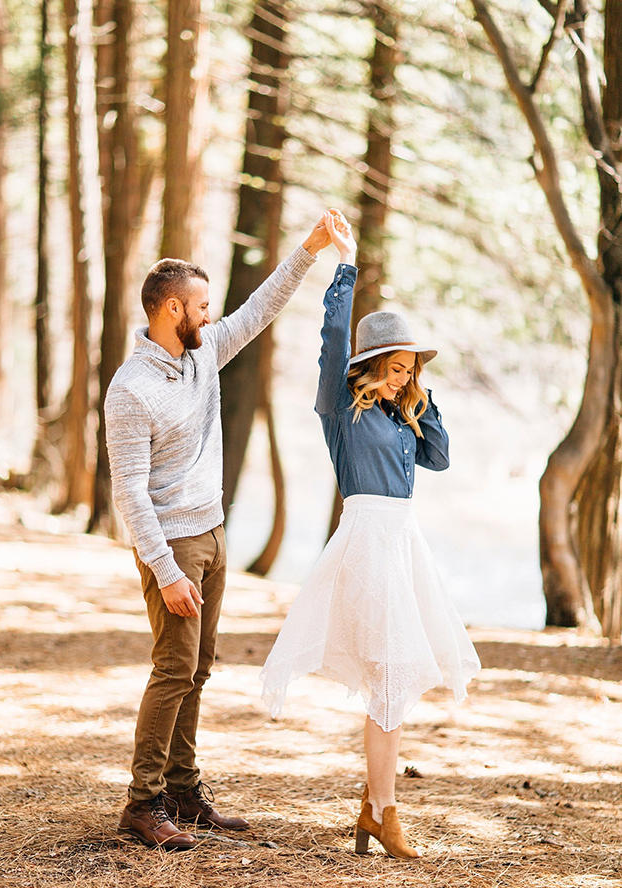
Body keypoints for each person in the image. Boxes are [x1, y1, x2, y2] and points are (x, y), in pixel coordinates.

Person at [105, 215, 331, 850]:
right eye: (201, 307)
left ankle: (181, 789)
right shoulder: (131, 390)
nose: (210, 316)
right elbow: (128, 492)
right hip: (172, 547)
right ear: (171, 308)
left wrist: (307, 253)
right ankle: (142, 803)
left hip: (213, 533)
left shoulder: (202, 358)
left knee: (199, 666)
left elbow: (260, 309)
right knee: (173, 667)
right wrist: (166, 571)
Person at [260, 211, 481, 860]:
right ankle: (384, 811)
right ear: (371, 364)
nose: (402, 376)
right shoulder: (342, 411)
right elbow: (332, 339)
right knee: (387, 678)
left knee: (394, 683)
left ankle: (376, 806)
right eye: (395, 367)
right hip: (365, 544)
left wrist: (420, 397)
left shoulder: (401, 412)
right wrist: (345, 267)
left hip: (404, 545)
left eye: (410, 367)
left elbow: (438, 457)